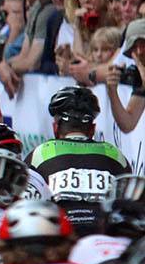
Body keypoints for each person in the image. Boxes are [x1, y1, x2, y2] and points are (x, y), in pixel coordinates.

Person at [27, 85, 127, 230]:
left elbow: (26, 204)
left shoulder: (40, 153)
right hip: (104, 237)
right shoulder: (115, 154)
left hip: (60, 240)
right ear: (92, 129)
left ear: (55, 128)